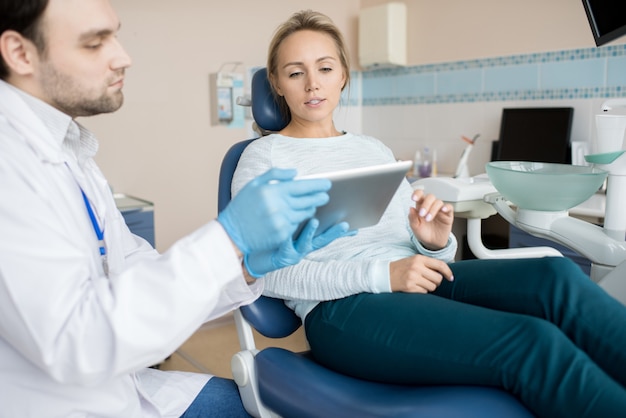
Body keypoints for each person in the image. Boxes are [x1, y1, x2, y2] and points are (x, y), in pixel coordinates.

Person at [231, 9, 626, 418]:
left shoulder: (372, 149)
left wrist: (433, 242)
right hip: (342, 310)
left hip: (409, 286)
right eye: (295, 73)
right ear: (276, 82)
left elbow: (422, 256)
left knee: (555, 275)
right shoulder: (263, 158)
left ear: (344, 75)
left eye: (325, 68)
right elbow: (262, 271)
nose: (313, 83)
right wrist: (381, 275)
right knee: (533, 343)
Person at [0, 1, 350, 417]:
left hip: (129, 387)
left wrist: (246, 265)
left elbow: (134, 269)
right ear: (20, 54)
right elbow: (78, 343)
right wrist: (227, 240)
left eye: (114, 35)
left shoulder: (69, 152)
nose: (123, 56)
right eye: (95, 43)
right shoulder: (10, 162)